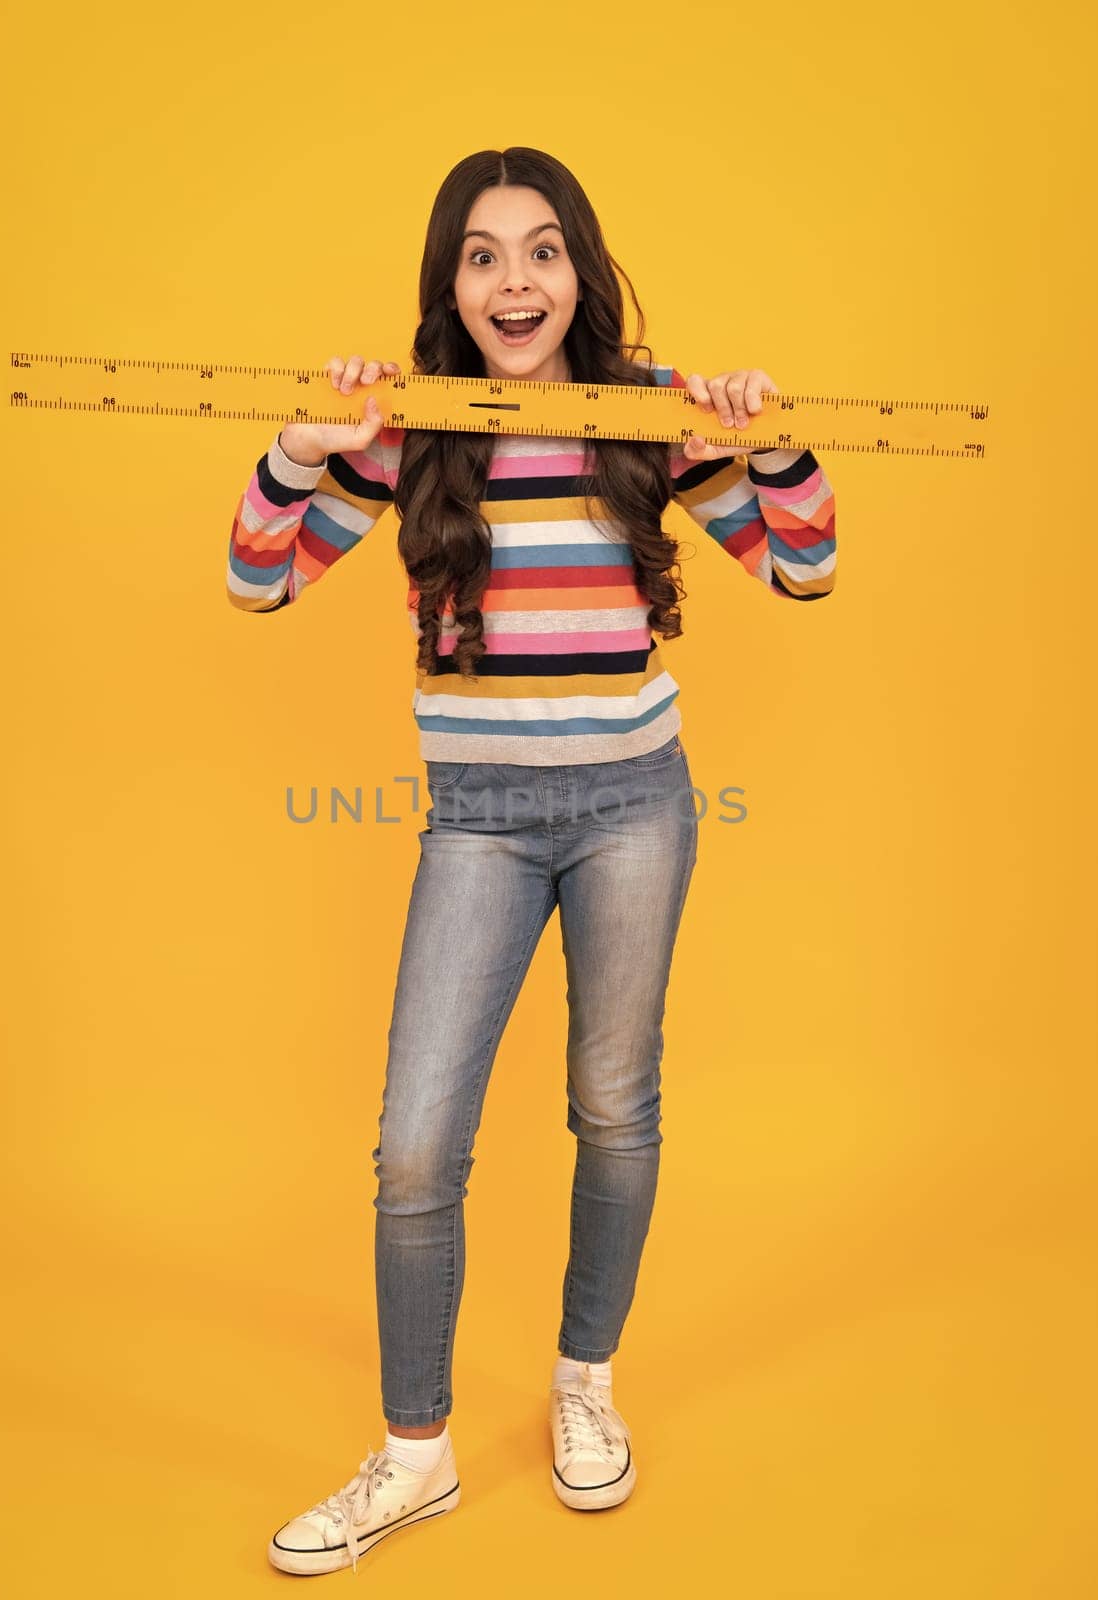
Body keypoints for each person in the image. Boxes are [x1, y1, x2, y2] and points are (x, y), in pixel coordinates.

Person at [227, 147, 837, 1577]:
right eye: (485, 254)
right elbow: (258, 579)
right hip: (478, 815)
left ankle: (583, 1385)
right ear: (450, 283)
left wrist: (764, 444)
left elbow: (804, 566)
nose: (517, 280)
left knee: (612, 1105)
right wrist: (306, 451)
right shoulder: (408, 427)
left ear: (584, 271)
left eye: (544, 249)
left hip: (638, 804)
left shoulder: (650, 412)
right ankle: (418, 1455)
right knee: (418, 1146)